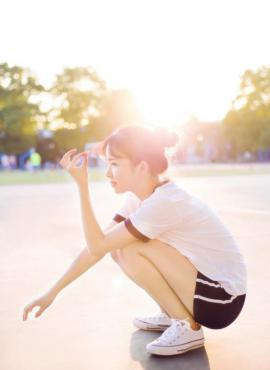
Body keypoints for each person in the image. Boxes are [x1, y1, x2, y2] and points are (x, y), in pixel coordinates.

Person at [22, 125, 247, 357]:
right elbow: (96, 249)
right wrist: (52, 292)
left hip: (222, 300)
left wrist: (82, 188)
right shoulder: (140, 198)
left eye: (115, 164)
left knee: (129, 248)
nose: (108, 173)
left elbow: (98, 244)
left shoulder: (164, 202)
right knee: (118, 248)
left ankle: (186, 325)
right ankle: (172, 311)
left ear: (141, 167)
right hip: (204, 289)